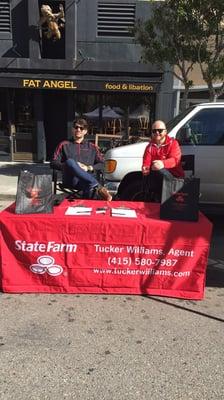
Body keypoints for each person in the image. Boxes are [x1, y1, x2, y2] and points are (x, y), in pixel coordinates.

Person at [51, 118, 112, 201]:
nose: (78, 129)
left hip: (87, 179)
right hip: (71, 179)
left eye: (81, 128)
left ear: (85, 131)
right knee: (70, 162)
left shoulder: (92, 147)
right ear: (72, 129)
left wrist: (88, 168)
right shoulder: (64, 144)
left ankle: (93, 188)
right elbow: (53, 163)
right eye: (76, 127)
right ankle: (98, 186)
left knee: (89, 184)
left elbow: (103, 164)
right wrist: (67, 166)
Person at [142, 119, 184, 201]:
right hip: (159, 180)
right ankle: (148, 201)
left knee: (158, 171)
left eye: (160, 130)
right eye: (154, 131)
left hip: (174, 179)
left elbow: (175, 160)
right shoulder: (149, 146)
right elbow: (146, 161)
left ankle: (154, 201)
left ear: (165, 132)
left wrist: (162, 164)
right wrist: (145, 168)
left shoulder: (173, 143)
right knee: (148, 175)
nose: (157, 133)